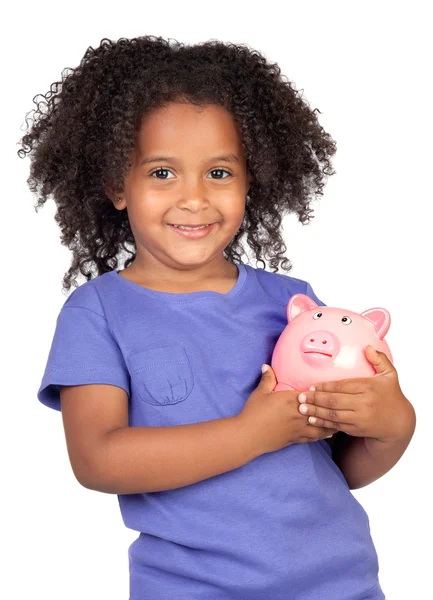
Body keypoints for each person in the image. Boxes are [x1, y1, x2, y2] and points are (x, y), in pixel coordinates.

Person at [18, 35, 415, 600]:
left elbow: (335, 469)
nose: (195, 198)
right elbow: (97, 460)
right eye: (162, 173)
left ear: (251, 180)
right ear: (115, 184)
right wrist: (249, 433)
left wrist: (392, 424)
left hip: (340, 583)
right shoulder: (98, 312)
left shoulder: (293, 302)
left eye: (220, 173)